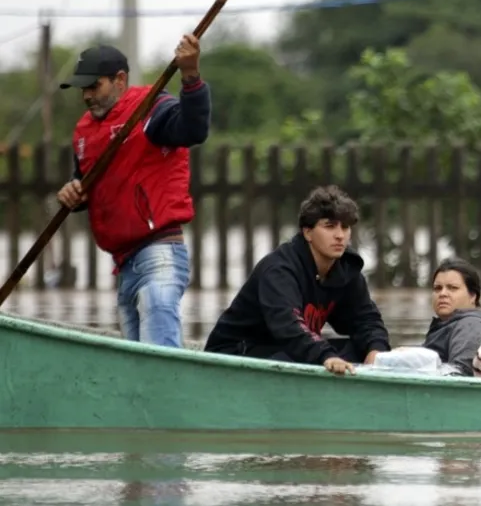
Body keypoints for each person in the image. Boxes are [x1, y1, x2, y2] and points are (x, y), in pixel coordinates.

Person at [55, 37, 211, 348]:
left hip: (159, 255)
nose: (86, 96)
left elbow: (194, 130)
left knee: (157, 359)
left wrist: (190, 75)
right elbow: (86, 183)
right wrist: (72, 195)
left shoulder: (151, 110)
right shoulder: (84, 131)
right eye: (82, 89)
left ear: (120, 80)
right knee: (138, 367)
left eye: (94, 86)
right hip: (124, 265)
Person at [203, 186, 392, 375]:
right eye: (329, 226)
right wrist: (326, 356)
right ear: (307, 232)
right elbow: (288, 326)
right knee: (305, 357)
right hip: (238, 352)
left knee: (360, 349)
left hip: (288, 350)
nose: (340, 235)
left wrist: (376, 351)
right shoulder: (279, 270)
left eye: (345, 227)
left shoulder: (345, 269)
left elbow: (366, 319)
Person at [423, 258, 481, 377]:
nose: (443, 293)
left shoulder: (471, 325)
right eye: (437, 288)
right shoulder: (450, 325)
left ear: (473, 296)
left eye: (452, 288)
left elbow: (462, 375)